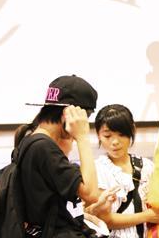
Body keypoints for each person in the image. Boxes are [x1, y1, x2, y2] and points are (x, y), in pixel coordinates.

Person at [17, 74, 103, 237]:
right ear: (69, 114)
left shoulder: (32, 142)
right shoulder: (44, 147)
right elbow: (91, 194)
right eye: (85, 118)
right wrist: (82, 137)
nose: (85, 124)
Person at [87, 104, 159, 238]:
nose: (115, 142)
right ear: (98, 135)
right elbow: (104, 220)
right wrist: (146, 216)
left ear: (132, 130)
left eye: (121, 134)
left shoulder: (147, 166)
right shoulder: (96, 170)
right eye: (107, 136)